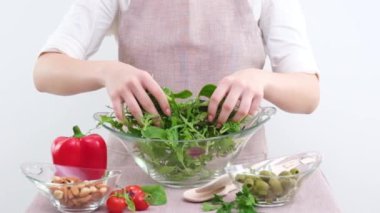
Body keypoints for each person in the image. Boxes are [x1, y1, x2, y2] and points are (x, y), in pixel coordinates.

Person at [33, 0, 319, 167]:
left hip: (235, 177)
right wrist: (106, 71)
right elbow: (45, 71)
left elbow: (308, 94)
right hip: (140, 177)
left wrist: (261, 79)